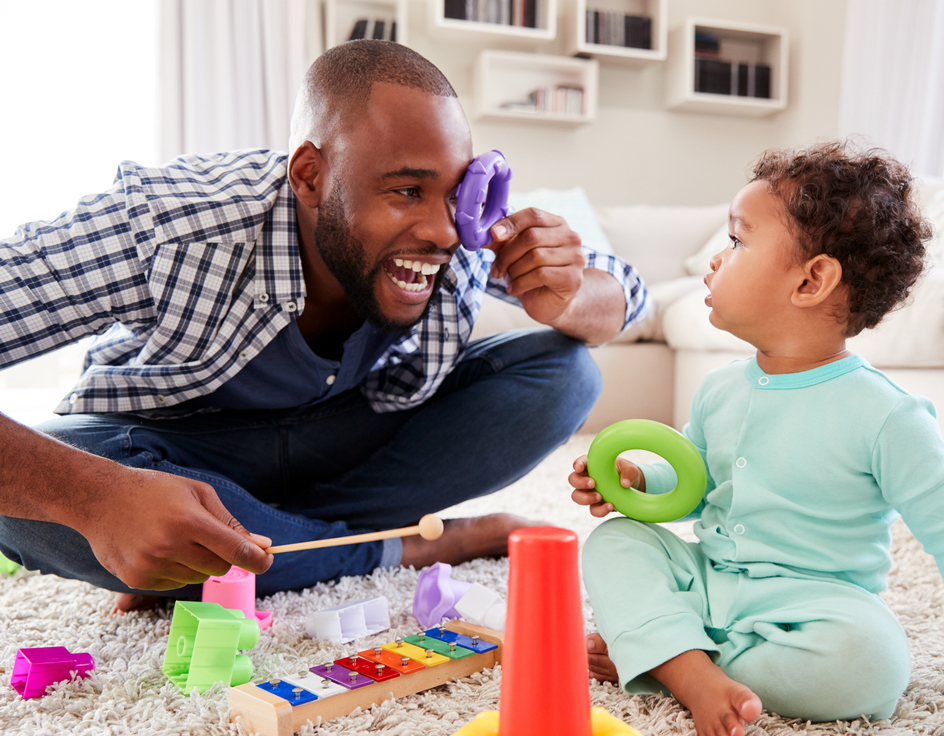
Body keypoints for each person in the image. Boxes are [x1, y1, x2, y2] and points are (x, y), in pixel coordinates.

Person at [0, 40, 647, 612]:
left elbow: (627, 292)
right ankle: (408, 547)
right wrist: (92, 500)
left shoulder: (460, 232)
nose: (446, 231)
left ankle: (248, 553)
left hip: (344, 442)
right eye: (405, 192)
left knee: (564, 375)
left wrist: (560, 294)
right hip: (170, 446)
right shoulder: (168, 223)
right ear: (310, 175)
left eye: (453, 194)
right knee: (33, 496)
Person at [567, 142, 944, 736]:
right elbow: (696, 487)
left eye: (736, 243)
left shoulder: (886, 415)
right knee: (616, 543)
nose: (714, 260)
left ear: (812, 279)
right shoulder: (720, 388)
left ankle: (666, 652)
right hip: (709, 577)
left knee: (872, 666)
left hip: (811, 603)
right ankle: (684, 664)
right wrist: (637, 479)